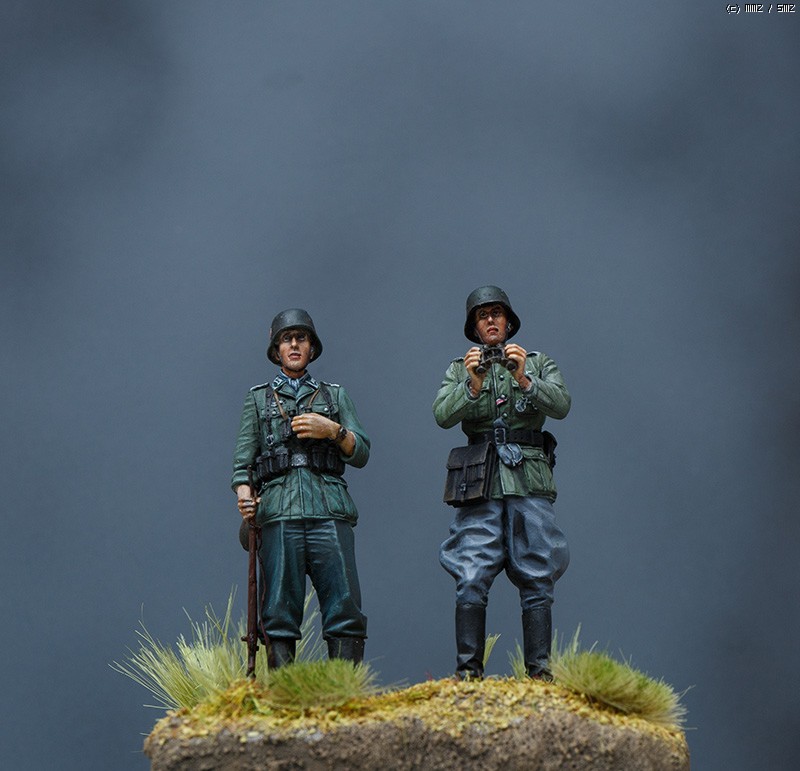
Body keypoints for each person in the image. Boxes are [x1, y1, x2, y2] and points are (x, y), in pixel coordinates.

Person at [434, 286, 571, 680]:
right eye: (482, 316)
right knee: (471, 570)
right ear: (474, 328)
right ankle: (468, 673)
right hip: (481, 481)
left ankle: (540, 673)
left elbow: (561, 405)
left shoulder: (537, 363)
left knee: (538, 570)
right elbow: (442, 415)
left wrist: (524, 378)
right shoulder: (460, 369)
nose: (491, 320)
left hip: (529, 479)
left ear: (509, 322)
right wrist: (472, 385)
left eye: (496, 313)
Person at [232, 308, 369, 668]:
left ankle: (346, 689)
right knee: (278, 609)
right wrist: (244, 495)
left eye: (301, 338)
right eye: (286, 339)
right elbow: (243, 463)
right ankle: (282, 693)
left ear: (312, 347)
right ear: (276, 349)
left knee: (344, 604)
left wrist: (333, 431)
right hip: (279, 511)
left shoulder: (334, 396)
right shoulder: (258, 400)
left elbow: (361, 452)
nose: (294, 344)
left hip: (328, 508)